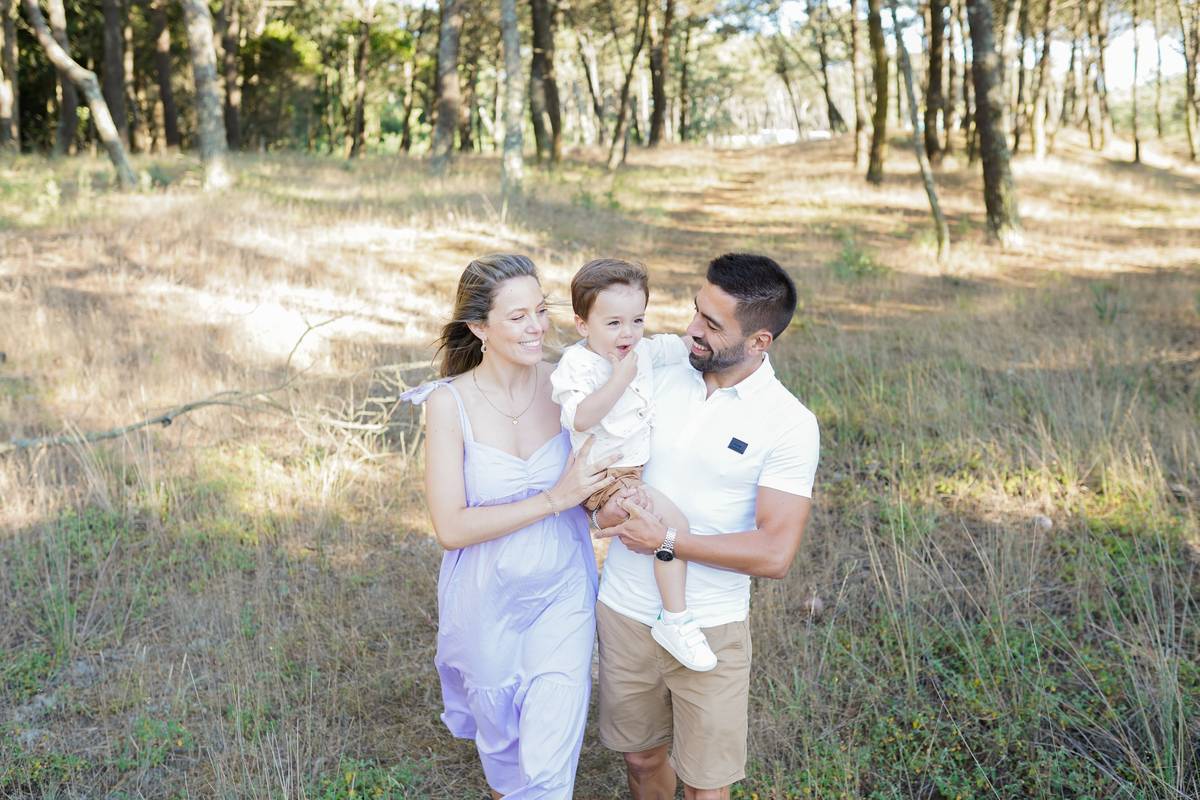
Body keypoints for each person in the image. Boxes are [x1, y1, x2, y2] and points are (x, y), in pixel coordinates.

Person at [592, 253, 821, 800]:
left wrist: (667, 541)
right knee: (640, 759)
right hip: (623, 609)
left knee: (706, 786)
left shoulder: (789, 423)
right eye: (696, 310)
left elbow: (775, 553)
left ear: (759, 341)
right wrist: (601, 507)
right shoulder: (655, 374)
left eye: (712, 324)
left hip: (709, 627)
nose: (692, 329)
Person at [400, 254, 622, 800]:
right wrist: (554, 499)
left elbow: (602, 482)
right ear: (480, 328)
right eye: (518, 316)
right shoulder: (448, 403)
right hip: (485, 603)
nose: (537, 327)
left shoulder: (570, 385)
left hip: (562, 593)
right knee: (505, 763)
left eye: (540, 310)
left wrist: (611, 502)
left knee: (547, 771)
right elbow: (451, 527)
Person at [550, 258, 716, 671]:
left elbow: (681, 345)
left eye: (637, 320)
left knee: (664, 525)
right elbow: (580, 417)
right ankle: (675, 619)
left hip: (629, 472)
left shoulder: (640, 349)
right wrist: (620, 378)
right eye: (613, 323)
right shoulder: (577, 365)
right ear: (582, 325)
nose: (628, 333)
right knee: (675, 525)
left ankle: (669, 615)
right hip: (602, 474)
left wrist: (727, 342)